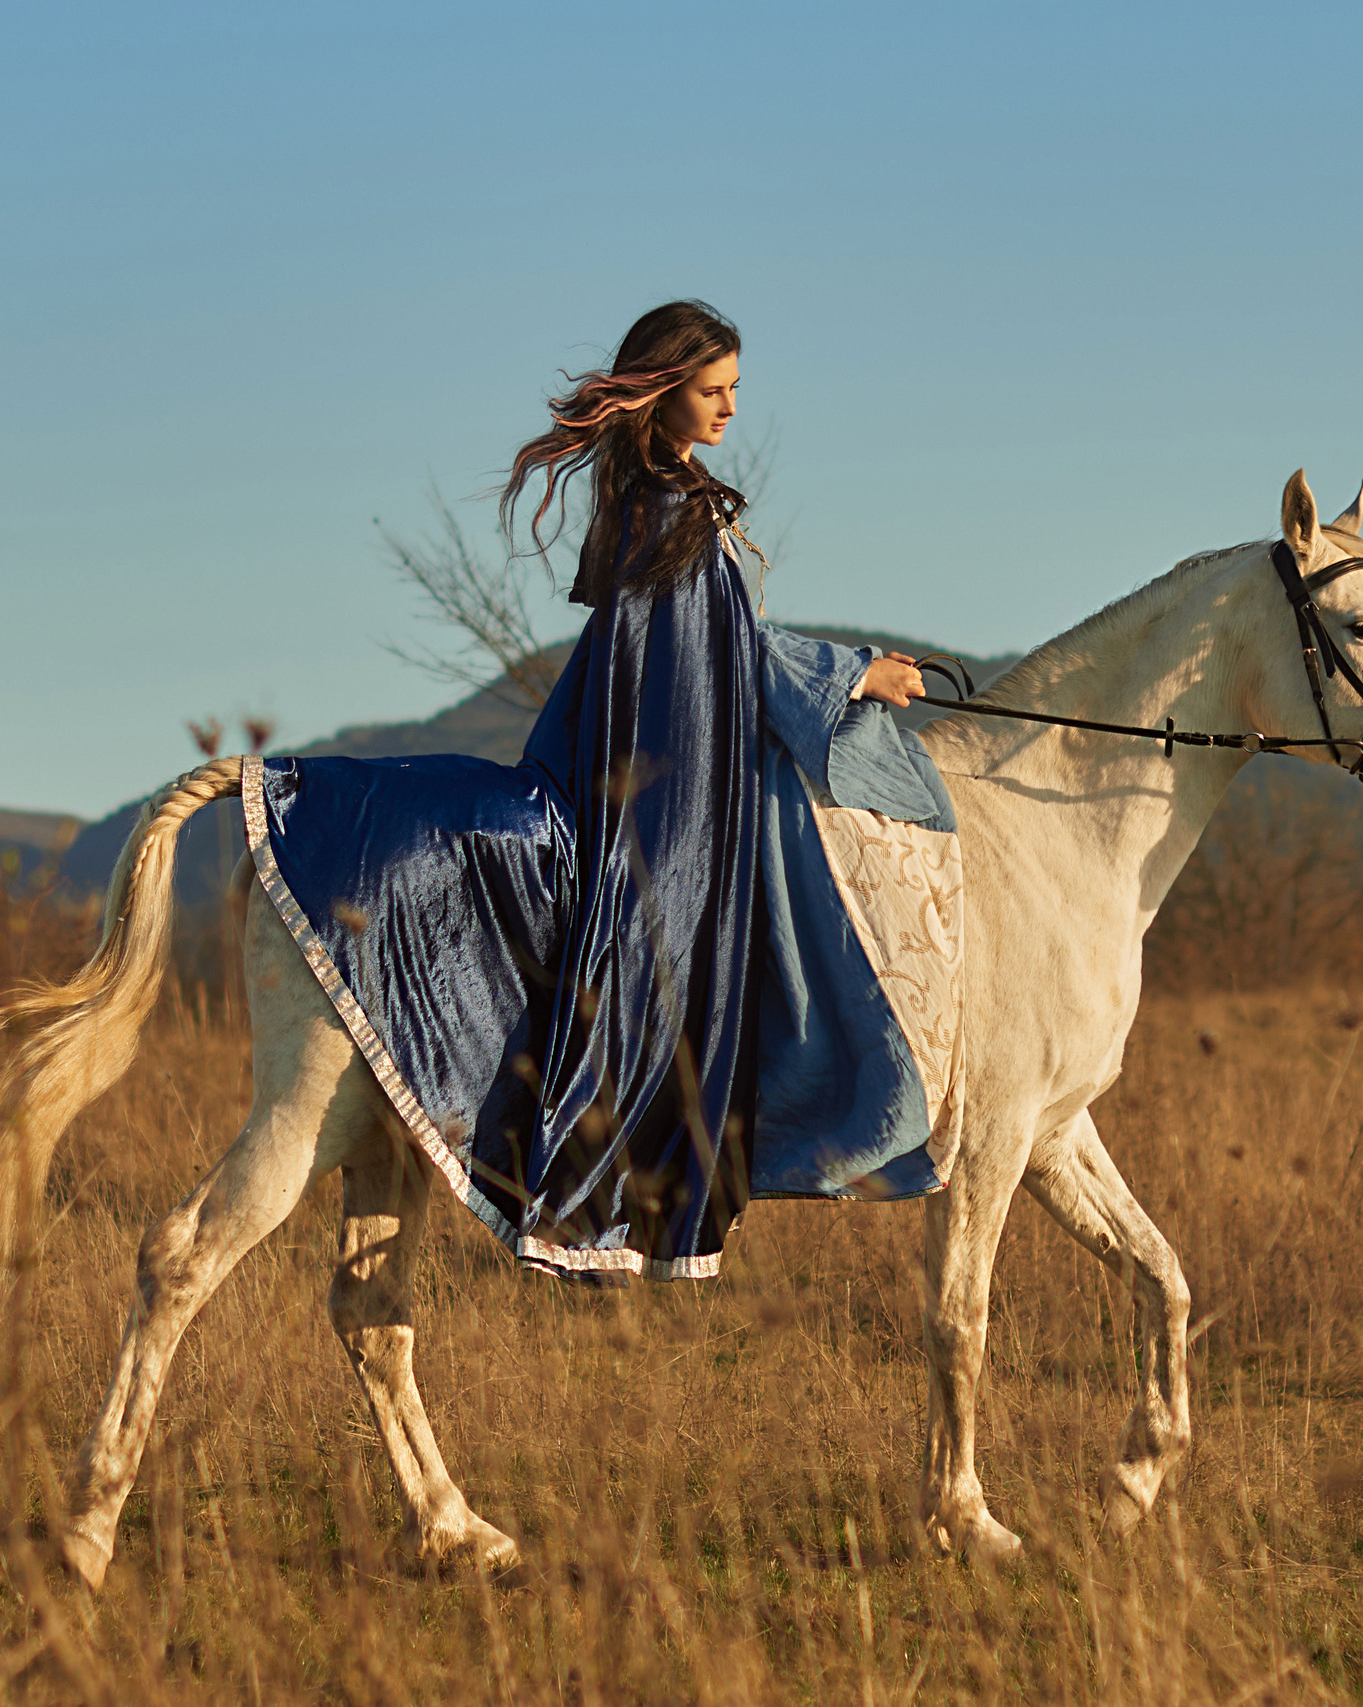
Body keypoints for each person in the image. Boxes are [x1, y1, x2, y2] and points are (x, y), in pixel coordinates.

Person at [243, 302, 960, 1281]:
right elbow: (731, 656)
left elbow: (722, 652)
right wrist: (852, 673)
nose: (729, 409)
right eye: (711, 391)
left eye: (735, 390)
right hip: (661, 800)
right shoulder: (666, 512)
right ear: (661, 394)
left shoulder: (667, 502)